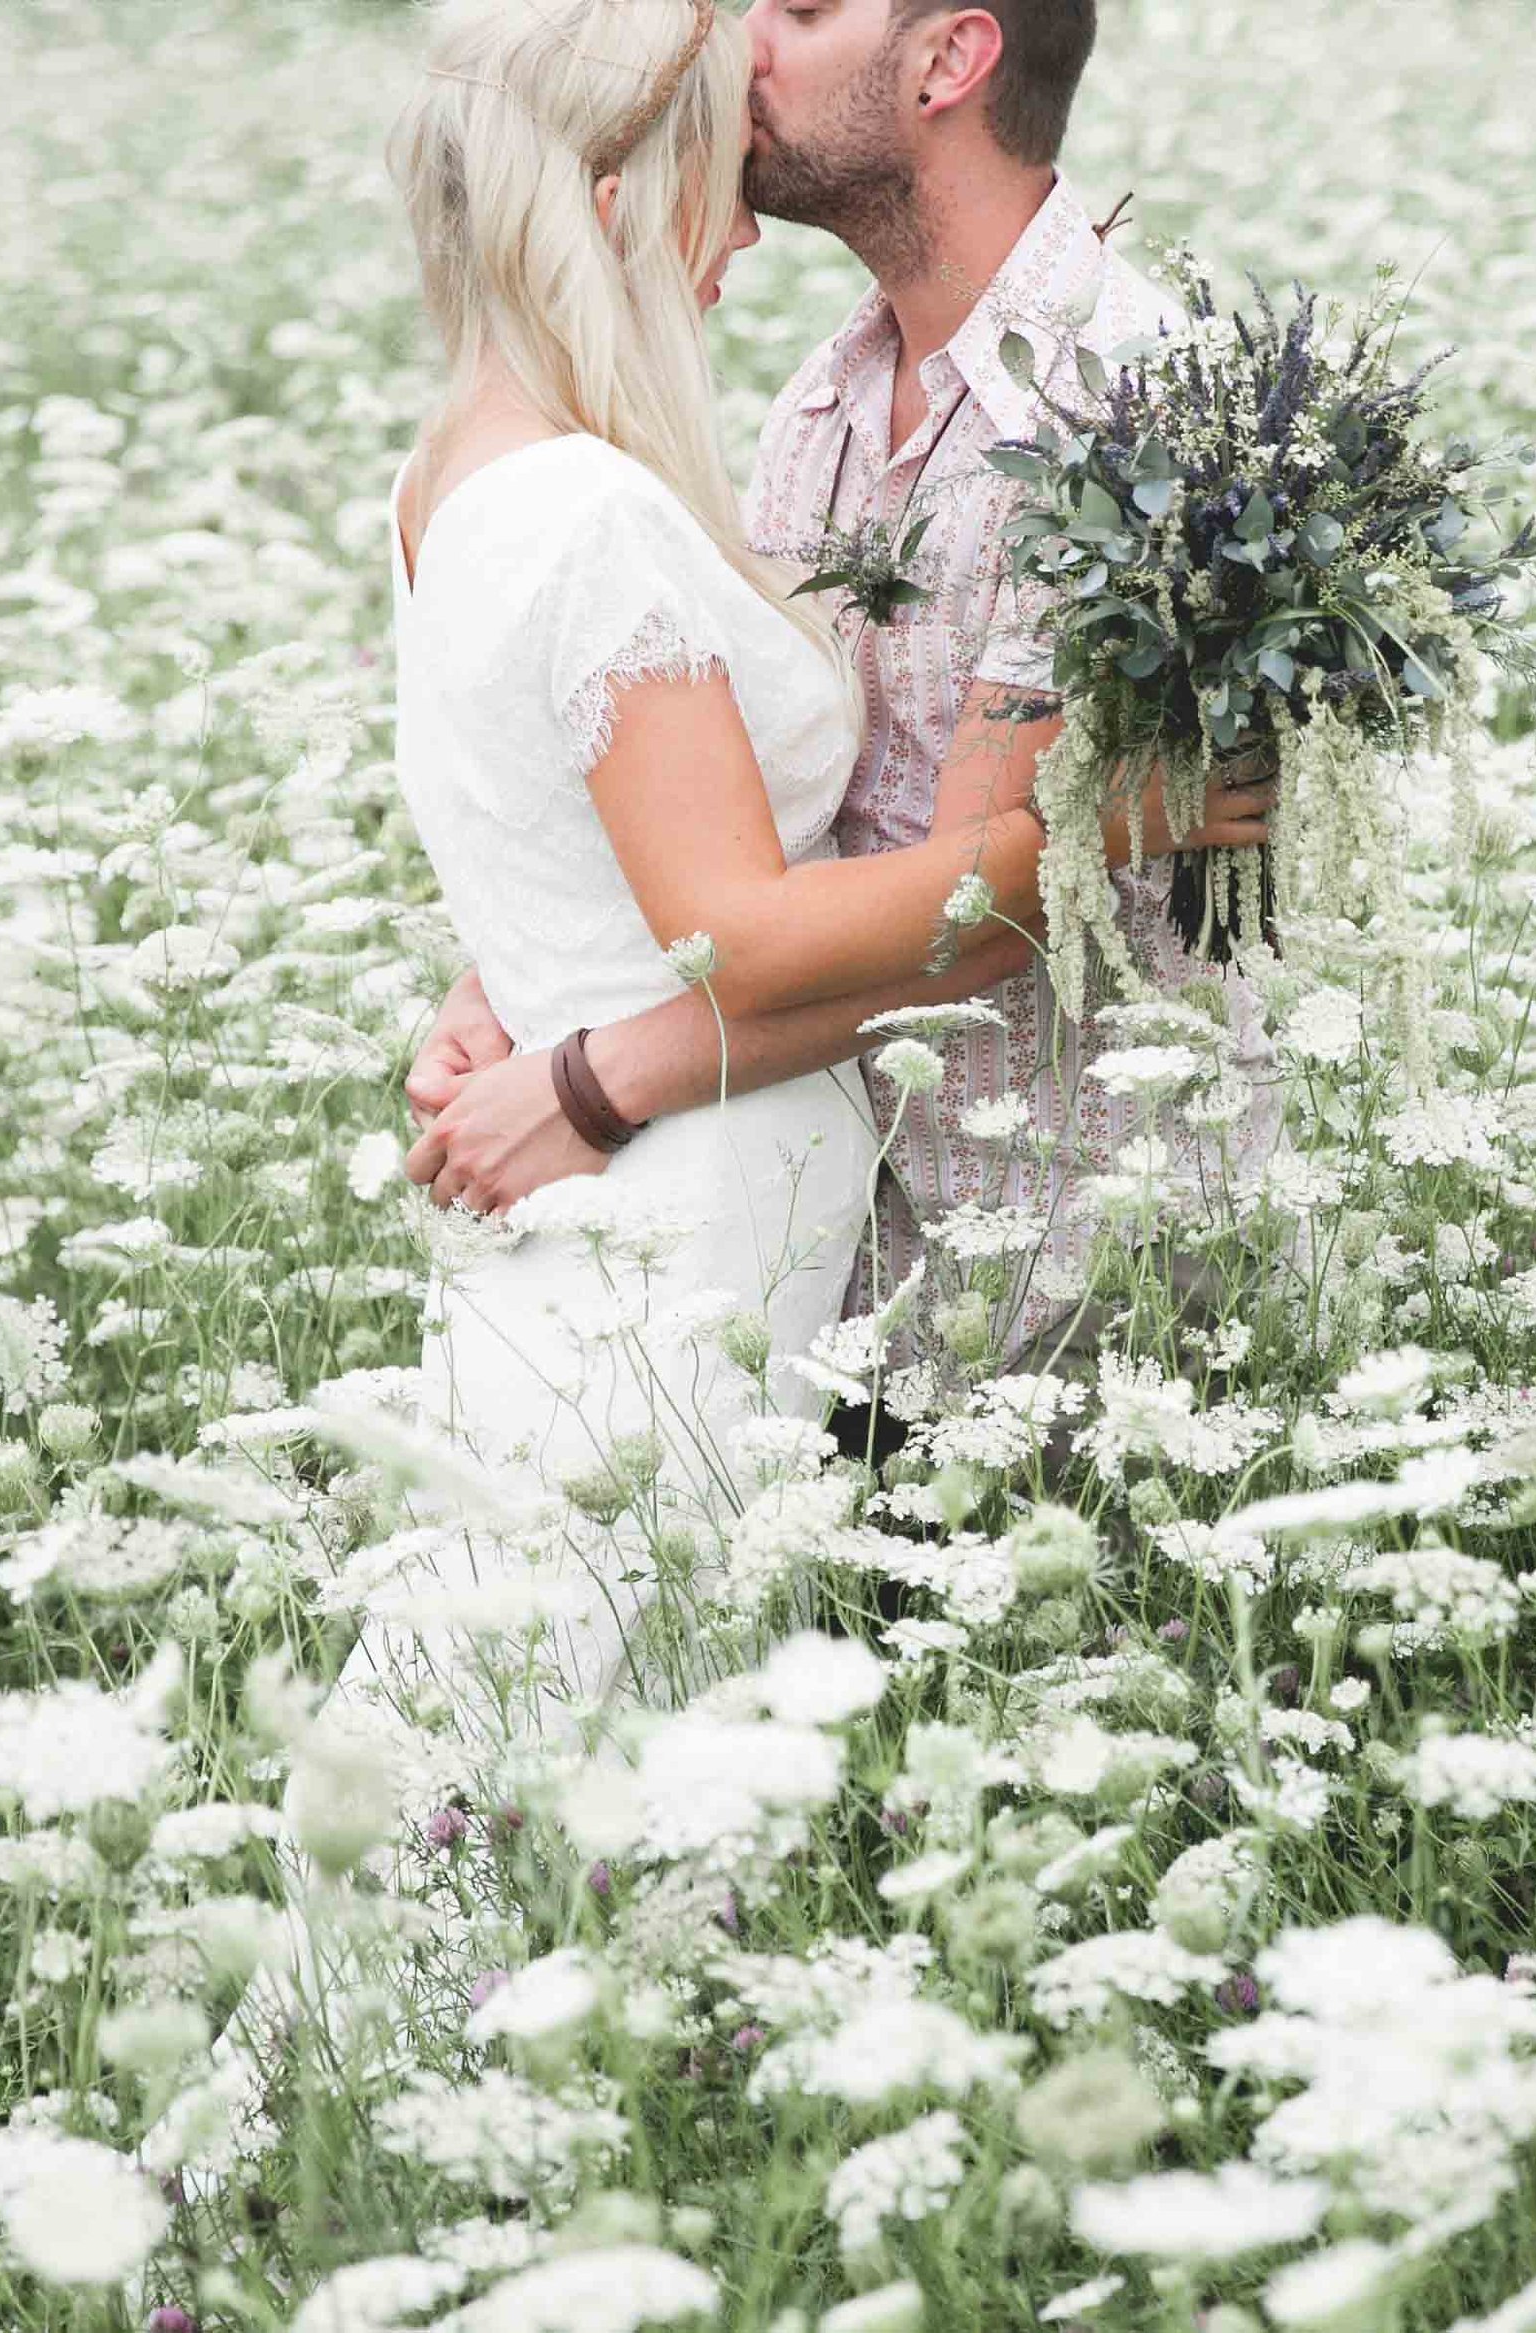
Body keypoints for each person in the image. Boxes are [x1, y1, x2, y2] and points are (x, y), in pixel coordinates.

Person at [367, 0, 1264, 1727]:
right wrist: (518, 973)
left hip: (1058, 1270)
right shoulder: (820, 399)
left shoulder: (1112, 397)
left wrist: (601, 1069)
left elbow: (975, 920)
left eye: (800, 9)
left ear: (948, 59)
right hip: (825, 1258)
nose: (743, 42)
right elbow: (724, 815)